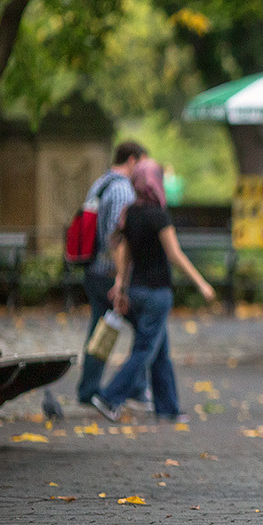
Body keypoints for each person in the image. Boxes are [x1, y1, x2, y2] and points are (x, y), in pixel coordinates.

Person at [90, 160, 216, 422]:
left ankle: (168, 408)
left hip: (136, 291)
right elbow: (175, 254)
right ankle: (109, 396)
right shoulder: (159, 216)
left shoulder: (130, 213)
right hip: (158, 293)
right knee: (145, 350)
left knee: (160, 352)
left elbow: (123, 255)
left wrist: (122, 287)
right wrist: (202, 284)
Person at [77, 140, 148, 405]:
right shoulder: (122, 190)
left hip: (93, 269)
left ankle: (88, 389)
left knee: (101, 328)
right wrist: (122, 279)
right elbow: (117, 239)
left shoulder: (101, 183)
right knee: (147, 329)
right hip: (109, 273)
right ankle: (134, 386)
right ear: (132, 160)